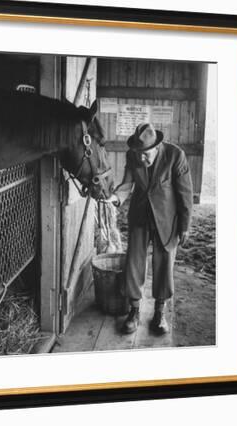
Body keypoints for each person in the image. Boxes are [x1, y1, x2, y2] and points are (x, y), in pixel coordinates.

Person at [103, 122, 193, 335]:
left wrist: (185, 226)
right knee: (134, 263)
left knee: (163, 264)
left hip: (167, 218)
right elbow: (127, 184)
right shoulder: (133, 155)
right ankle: (134, 311)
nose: (141, 158)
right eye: (138, 154)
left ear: (157, 147)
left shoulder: (175, 155)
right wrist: (115, 197)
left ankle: (159, 313)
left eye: (146, 154)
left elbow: (185, 194)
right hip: (140, 216)